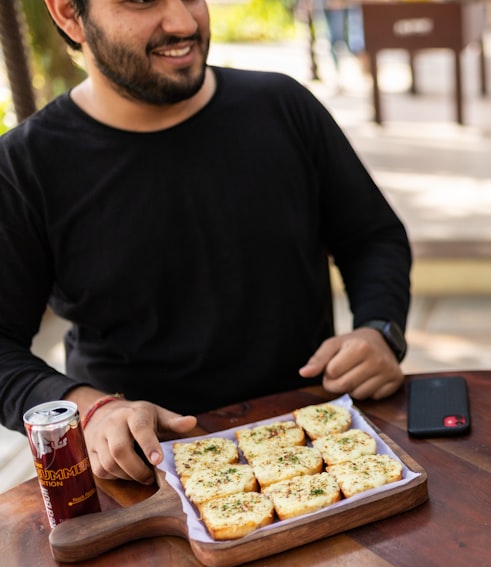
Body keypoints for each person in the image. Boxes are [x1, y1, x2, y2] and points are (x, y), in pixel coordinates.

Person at [0, 0, 412, 485]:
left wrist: (379, 329)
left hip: (320, 444)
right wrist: (89, 410)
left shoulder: (282, 105)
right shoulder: (27, 166)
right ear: (69, 14)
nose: (183, 22)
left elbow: (372, 236)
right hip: (145, 474)